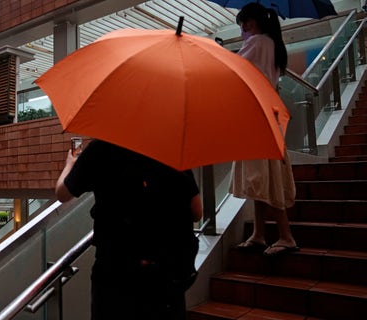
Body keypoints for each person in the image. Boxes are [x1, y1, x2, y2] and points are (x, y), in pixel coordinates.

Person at [55, 139, 203, 319]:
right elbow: (197, 212)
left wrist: (69, 165)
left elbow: (62, 193)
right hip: (166, 274)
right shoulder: (168, 148)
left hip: (115, 274)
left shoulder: (101, 148)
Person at [231, 2, 299, 257]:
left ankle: (286, 236)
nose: (244, 28)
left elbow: (235, 69)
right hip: (269, 114)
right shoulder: (272, 44)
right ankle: (259, 234)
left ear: (257, 21)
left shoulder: (258, 42)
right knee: (265, 176)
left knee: (266, 177)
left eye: (246, 22)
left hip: (257, 117)